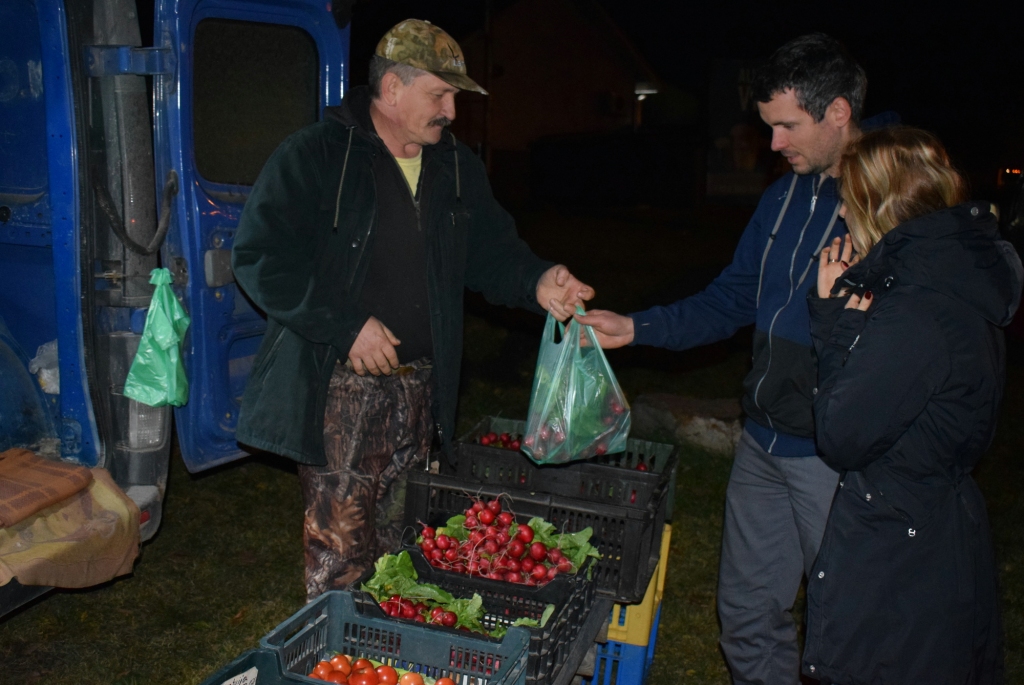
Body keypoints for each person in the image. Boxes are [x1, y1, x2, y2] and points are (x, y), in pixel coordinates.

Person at [231, 19, 593, 599]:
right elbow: (260, 257)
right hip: (343, 392)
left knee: (408, 550)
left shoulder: (455, 166)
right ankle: (339, 642)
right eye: (440, 94)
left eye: (455, 97)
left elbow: (492, 254)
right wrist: (345, 325)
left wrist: (537, 280)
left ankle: (394, 643)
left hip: (423, 389)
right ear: (393, 88)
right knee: (343, 560)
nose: (451, 111)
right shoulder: (318, 155)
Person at [577, 33, 887, 683]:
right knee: (746, 617)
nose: (773, 143)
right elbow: (732, 298)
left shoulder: (893, 201)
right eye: (769, 125)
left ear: (838, 112)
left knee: (855, 631)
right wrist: (635, 327)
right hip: (764, 440)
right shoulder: (784, 196)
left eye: (787, 126)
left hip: (840, 456)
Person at [803, 127, 1018, 685]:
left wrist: (833, 325)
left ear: (877, 206)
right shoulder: (955, 283)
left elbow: (841, 435)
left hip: (902, 555)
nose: (841, 212)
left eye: (848, 199)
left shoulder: (918, 311)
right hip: (938, 532)